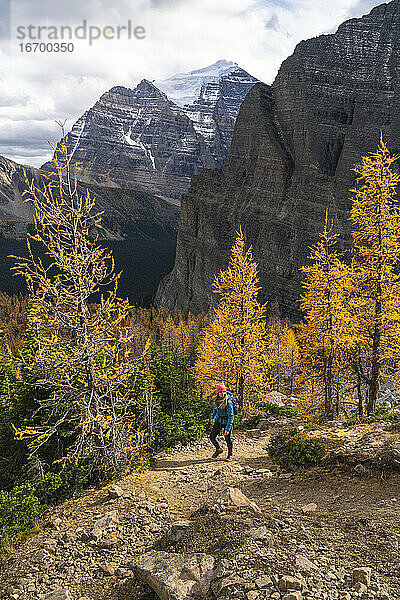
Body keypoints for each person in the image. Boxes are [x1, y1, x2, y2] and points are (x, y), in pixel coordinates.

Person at [209, 382, 234, 461]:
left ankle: (230, 454)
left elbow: (231, 416)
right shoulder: (217, 400)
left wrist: (227, 428)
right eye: (220, 392)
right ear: (217, 392)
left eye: (223, 391)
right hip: (219, 420)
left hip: (227, 421)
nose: (222, 393)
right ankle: (218, 449)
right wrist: (212, 417)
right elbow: (215, 409)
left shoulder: (228, 402)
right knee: (212, 436)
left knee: (227, 438)